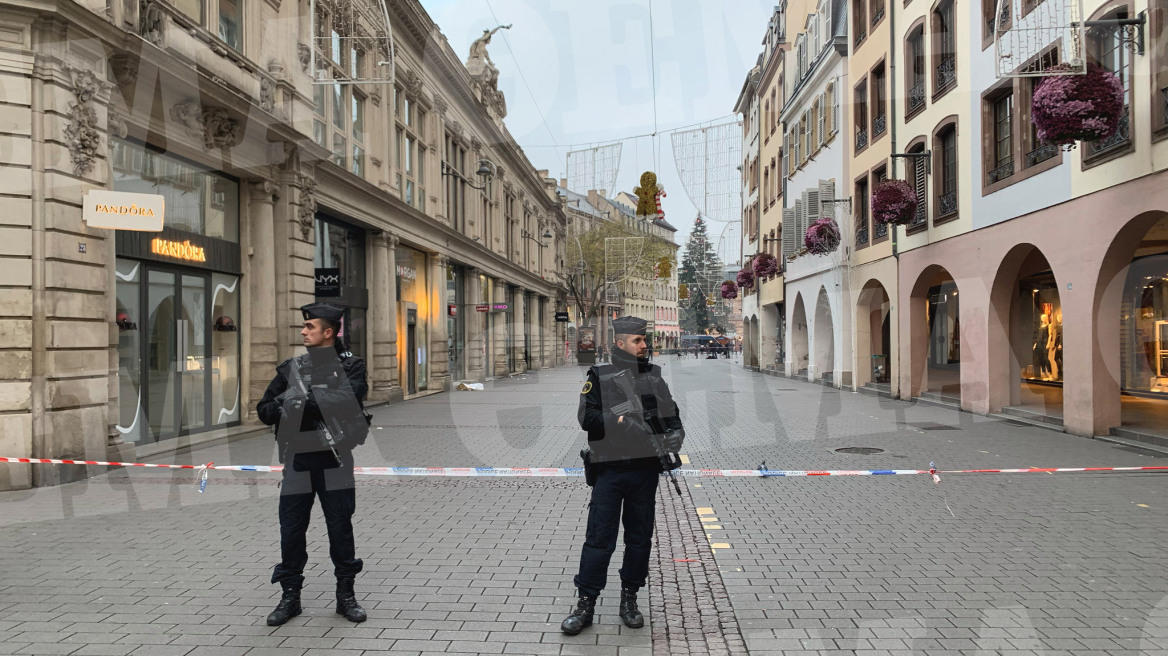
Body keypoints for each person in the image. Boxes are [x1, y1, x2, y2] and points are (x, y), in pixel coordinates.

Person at [562, 316, 685, 635]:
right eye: (638, 341)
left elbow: (672, 415)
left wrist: (675, 435)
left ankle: (629, 598)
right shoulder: (599, 375)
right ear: (620, 343)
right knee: (599, 538)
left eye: (645, 341)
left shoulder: (654, 377)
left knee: (639, 538)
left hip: (645, 471)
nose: (645, 345)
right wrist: (618, 421)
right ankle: (585, 603)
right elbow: (586, 418)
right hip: (610, 470)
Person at [256, 303, 370, 627]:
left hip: (335, 459)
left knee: (340, 528)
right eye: (304, 326)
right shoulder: (293, 367)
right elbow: (264, 408)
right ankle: (290, 596)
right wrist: (293, 405)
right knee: (291, 530)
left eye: (310, 326)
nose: (304, 331)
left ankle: (345, 596)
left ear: (329, 332)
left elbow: (349, 400)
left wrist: (297, 403)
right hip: (298, 461)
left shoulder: (351, 366)